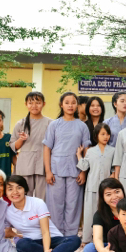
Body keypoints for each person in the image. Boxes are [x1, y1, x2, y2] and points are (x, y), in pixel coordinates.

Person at [5, 175, 81, 252]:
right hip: (33, 243)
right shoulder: (8, 212)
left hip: (52, 239)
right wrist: (17, 236)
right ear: (6, 193)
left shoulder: (37, 203)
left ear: (25, 189)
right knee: (21, 244)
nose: (15, 192)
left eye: (19, 188)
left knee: (75, 240)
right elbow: (7, 232)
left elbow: (45, 232)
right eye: (10, 189)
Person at [43, 92, 91, 236]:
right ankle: (56, 236)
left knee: (73, 204)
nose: (70, 105)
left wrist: (83, 171)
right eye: (67, 102)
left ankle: (71, 237)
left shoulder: (82, 126)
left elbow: (86, 150)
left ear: (77, 105)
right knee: (55, 204)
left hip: (75, 169)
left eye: (73, 102)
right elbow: (47, 148)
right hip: (56, 169)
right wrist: (48, 171)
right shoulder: (54, 125)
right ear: (61, 105)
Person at [10, 92, 52, 200]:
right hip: (25, 164)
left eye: (38, 102)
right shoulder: (21, 124)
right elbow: (13, 146)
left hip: (43, 164)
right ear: (26, 104)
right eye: (30, 103)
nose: (34, 106)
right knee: (24, 196)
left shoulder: (50, 123)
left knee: (42, 198)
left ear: (43, 104)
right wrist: (21, 139)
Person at [77, 123, 115, 243]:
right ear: (96, 136)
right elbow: (84, 166)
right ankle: (87, 239)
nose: (106, 137)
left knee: (107, 213)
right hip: (92, 187)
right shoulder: (90, 151)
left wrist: (113, 175)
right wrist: (79, 155)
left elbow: (114, 168)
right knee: (90, 213)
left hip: (107, 189)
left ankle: (106, 239)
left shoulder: (113, 151)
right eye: (102, 134)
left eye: (107, 134)